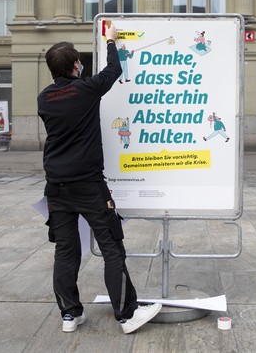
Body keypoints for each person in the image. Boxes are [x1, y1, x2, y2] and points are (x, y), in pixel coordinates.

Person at [37, 22, 162, 334]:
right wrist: (111, 40)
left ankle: (70, 315)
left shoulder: (44, 99)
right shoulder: (86, 90)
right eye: (78, 61)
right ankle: (126, 315)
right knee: (111, 247)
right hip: (89, 185)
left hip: (56, 188)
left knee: (66, 251)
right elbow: (115, 68)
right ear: (76, 65)